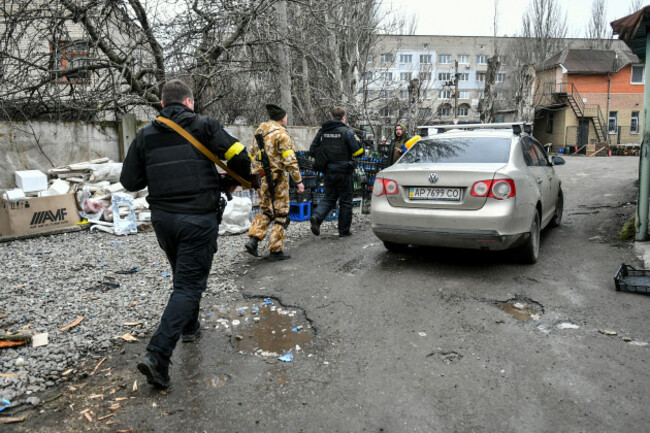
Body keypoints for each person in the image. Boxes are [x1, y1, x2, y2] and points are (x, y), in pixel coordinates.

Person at [120, 79, 251, 388]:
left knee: (183, 277)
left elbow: (130, 181)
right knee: (189, 286)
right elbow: (241, 156)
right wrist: (232, 182)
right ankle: (158, 355)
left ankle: (190, 327)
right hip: (197, 219)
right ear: (190, 102)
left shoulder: (144, 135)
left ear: (163, 105)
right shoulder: (205, 126)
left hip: (164, 221)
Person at [245, 104, 304, 261]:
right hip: (278, 179)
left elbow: (251, 154)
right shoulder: (282, 135)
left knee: (266, 210)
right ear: (282, 118)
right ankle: (275, 250)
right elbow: (290, 160)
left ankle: (253, 239)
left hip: (261, 178)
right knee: (281, 213)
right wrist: (298, 181)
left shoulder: (259, 132)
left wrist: (259, 173)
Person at [309, 106, 363, 237]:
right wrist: (360, 143)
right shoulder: (347, 132)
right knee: (345, 201)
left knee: (329, 197)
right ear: (343, 117)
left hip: (328, 171)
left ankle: (317, 217)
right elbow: (358, 152)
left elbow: (312, 150)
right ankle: (344, 231)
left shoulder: (323, 132)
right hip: (344, 172)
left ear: (332, 116)